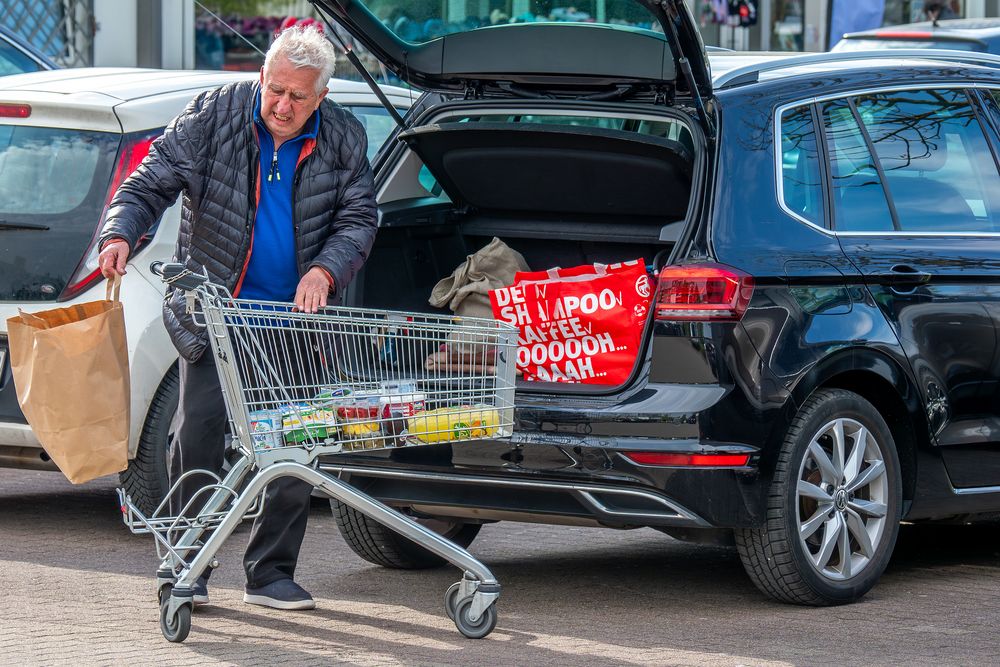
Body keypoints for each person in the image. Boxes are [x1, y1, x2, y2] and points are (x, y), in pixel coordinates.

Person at [97, 25, 378, 611]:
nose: (281, 105)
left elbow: (358, 220)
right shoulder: (215, 115)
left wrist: (325, 271)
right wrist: (121, 231)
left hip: (299, 323)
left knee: (293, 446)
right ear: (262, 78)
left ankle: (271, 573)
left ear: (321, 96)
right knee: (196, 436)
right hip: (216, 318)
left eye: (297, 97)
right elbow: (150, 181)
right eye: (274, 90)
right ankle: (186, 564)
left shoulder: (346, 137)